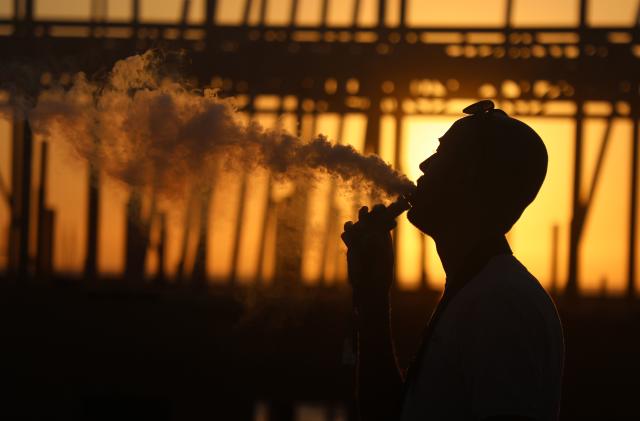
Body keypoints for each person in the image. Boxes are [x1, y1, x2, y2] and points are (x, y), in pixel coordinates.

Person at [341, 100, 564, 421]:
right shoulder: (482, 290)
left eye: (442, 155)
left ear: (471, 177)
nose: (423, 165)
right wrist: (372, 297)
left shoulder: (500, 305)